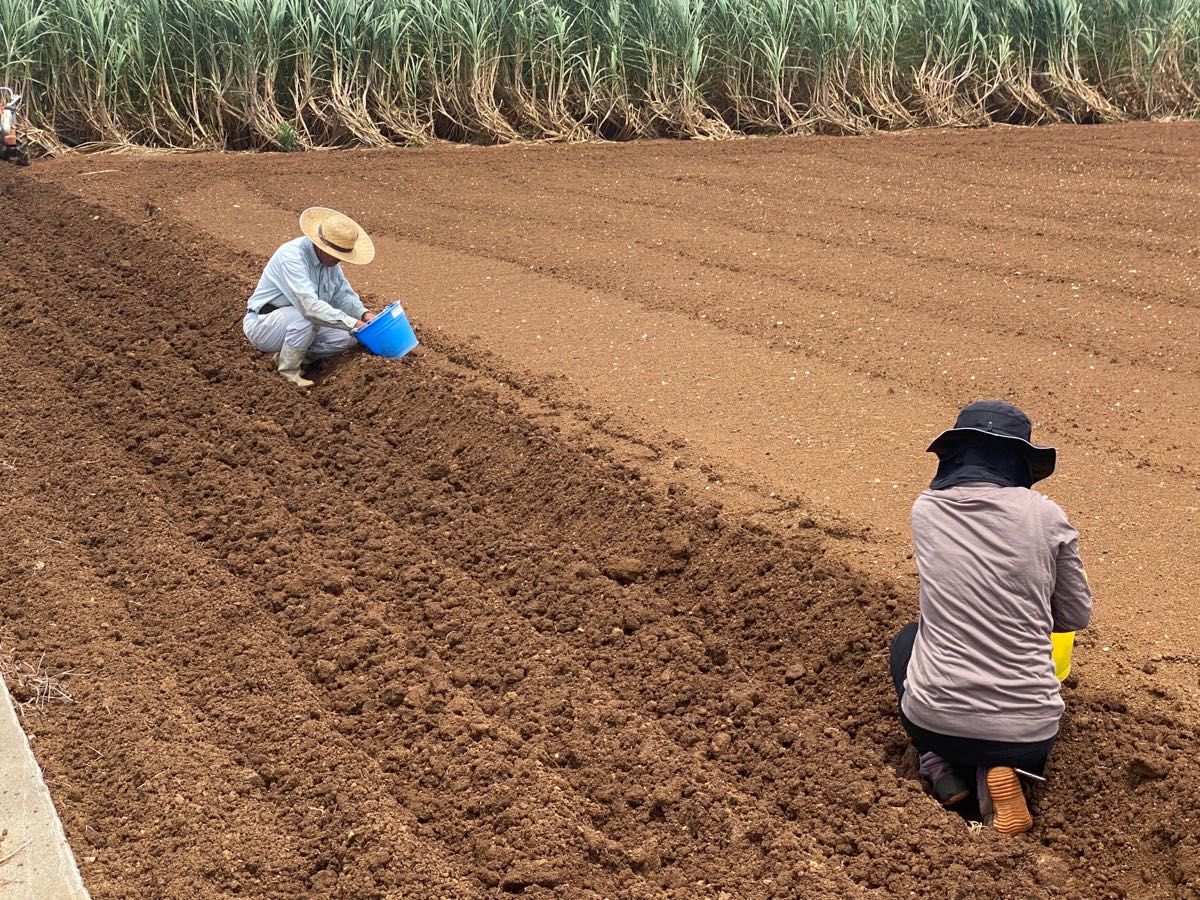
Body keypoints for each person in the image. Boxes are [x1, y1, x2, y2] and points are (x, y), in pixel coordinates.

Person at [890, 400, 1092, 834]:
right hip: (1028, 735)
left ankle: (937, 763)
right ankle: (996, 773)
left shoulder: (925, 510)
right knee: (1025, 702)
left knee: (908, 641)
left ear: (957, 453)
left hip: (934, 719)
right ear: (1020, 460)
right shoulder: (1046, 514)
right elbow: (1075, 614)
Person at [243, 207, 376, 387]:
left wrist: (364, 316)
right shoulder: (292, 256)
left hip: (296, 324)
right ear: (323, 246)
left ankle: (289, 358)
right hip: (263, 323)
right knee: (311, 318)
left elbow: (341, 294)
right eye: (337, 255)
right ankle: (287, 374)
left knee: (350, 337)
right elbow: (310, 308)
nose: (340, 260)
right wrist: (353, 323)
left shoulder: (330, 264)